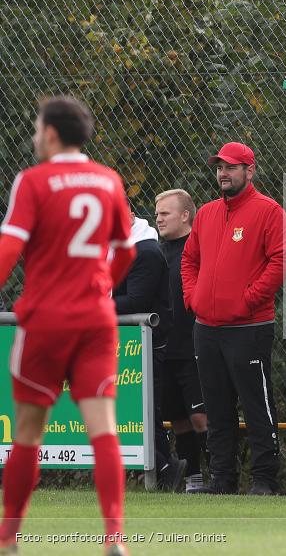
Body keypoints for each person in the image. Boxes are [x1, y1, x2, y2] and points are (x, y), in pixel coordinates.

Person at [0, 96, 135, 556]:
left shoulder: (33, 182)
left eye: (37, 129)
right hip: (96, 319)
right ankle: (114, 535)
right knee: (104, 429)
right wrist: (100, 288)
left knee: (28, 432)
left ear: (52, 134)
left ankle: (9, 538)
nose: (34, 136)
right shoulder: (108, 181)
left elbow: (8, 250)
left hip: (47, 320)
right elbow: (126, 252)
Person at [181, 142, 286, 496]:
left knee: (256, 403)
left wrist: (247, 300)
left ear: (250, 170)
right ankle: (223, 480)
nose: (223, 174)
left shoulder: (269, 211)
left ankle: (264, 480)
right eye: (219, 167)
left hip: (249, 326)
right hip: (207, 328)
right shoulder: (207, 213)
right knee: (217, 408)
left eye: (231, 167)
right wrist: (193, 299)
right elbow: (189, 261)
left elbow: (281, 262)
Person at [113, 204, 181, 491]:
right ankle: (167, 469)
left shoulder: (146, 250)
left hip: (145, 342)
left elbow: (136, 300)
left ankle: (166, 468)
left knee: (141, 408)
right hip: (124, 343)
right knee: (141, 409)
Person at [155, 189, 209, 493]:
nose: (159, 218)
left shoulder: (201, 249)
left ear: (185, 215)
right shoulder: (156, 252)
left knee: (202, 417)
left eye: (165, 213)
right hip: (165, 350)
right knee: (178, 419)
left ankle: (221, 477)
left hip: (195, 348)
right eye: (157, 213)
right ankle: (194, 479)